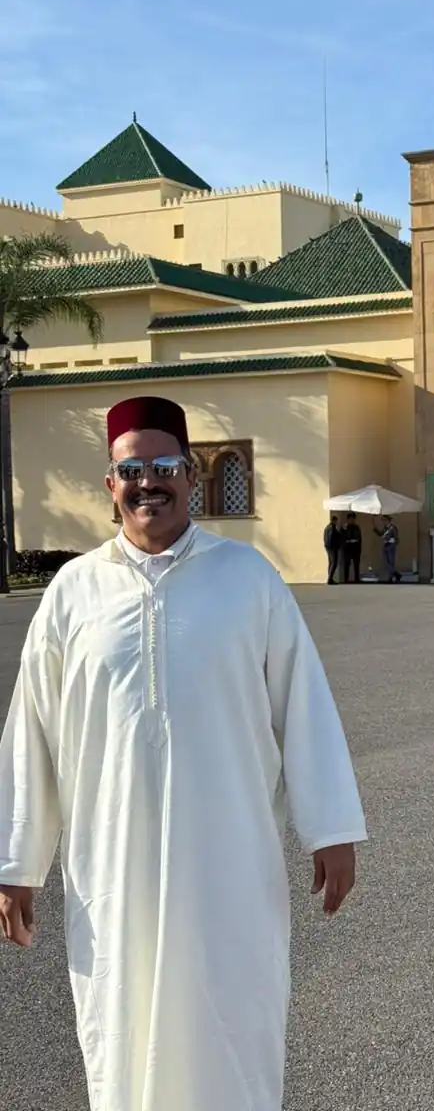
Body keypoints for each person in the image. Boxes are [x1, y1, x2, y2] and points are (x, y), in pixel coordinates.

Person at [0, 396, 366, 1111]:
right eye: (130, 469)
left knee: (233, 1019)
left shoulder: (247, 579)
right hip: (112, 868)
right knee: (121, 1024)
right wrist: (16, 864)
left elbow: (304, 705)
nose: (148, 483)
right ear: (110, 484)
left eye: (164, 466)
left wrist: (331, 830)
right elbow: (32, 732)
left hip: (227, 862)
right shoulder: (73, 593)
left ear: (191, 477)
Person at [374, 515, 400, 583]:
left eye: (384, 520)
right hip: (386, 545)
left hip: (391, 546)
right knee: (387, 562)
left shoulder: (393, 528)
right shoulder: (385, 528)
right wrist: (375, 528)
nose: (383, 522)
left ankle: (393, 576)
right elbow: (381, 534)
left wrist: (388, 540)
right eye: (383, 520)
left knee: (391, 562)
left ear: (388, 520)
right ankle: (394, 575)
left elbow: (396, 538)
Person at [341, 511, 362, 583]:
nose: (352, 520)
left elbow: (359, 539)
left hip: (355, 549)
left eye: (353, 519)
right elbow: (342, 538)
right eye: (351, 519)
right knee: (346, 564)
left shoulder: (356, 527)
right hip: (347, 549)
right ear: (348, 519)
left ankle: (357, 579)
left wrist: (359, 549)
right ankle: (346, 580)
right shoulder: (344, 528)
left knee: (356, 565)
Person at [323, 513, 342, 584]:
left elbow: (325, 538)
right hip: (332, 547)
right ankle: (330, 579)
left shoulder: (327, 527)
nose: (337, 523)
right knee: (334, 563)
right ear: (334, 521)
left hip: (329, 547)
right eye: (336, 521)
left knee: (331, 563)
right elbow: (332, 538)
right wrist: (336, 545)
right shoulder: (332, 528)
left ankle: (330, 578)